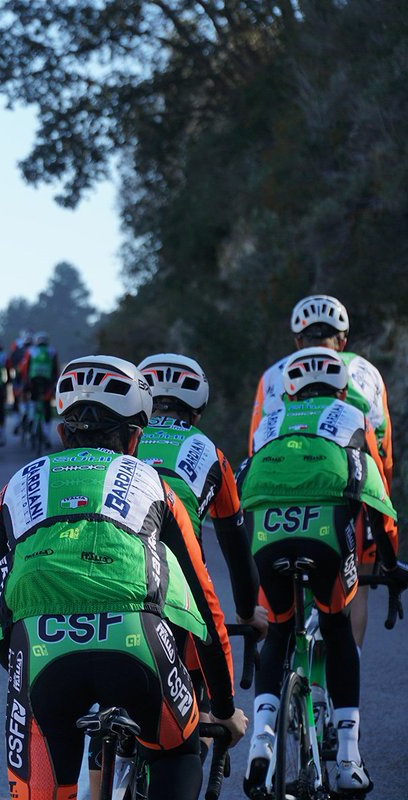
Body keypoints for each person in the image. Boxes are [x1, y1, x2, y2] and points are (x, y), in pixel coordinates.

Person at [0, 355, 246, 800]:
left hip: (39, 653)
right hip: (138, 645)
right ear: (136, 437)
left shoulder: (16, 486)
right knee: (179, 752)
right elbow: (204, 601)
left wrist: (36, 669)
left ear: (62, 432)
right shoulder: (150, 482)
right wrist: (223, 707)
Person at [239, 347, 407, 795]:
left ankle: (261, 742)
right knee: (336, 629)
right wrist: (390, 562)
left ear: (289, 389)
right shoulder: (353, 419)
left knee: (278, 631)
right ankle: (349, 757)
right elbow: (376, 496)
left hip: (265, 535)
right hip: (327, 537)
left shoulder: (269, 424)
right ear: (341, 388)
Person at [248, 294, 394, 647]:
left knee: (279, 601)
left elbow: (255, 442)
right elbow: (383, 447)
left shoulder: (274, 374)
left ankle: (280, 675)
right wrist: (381, 508)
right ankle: (347, 670)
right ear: (342, 339)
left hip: (276, 494)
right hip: (350, 492)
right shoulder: (364, 371)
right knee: (355, 583)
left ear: (298, 339)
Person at [136, 353, 267, 633]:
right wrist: (246, 614)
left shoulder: (123, 438)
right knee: (205, 666)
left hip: (108, 574)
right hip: (181, 584)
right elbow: (236, 548)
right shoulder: (210, 452)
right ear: (196, 414)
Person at [15, 332, 58, 445]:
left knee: (31, 400)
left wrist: (26, 382)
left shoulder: (31, 351)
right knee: (47, 405)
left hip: (33, 380)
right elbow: (55, 368)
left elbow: (26, 368)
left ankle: (30, 419)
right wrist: (54, 382)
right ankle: (46, 433)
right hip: (47, 381)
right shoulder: (52, 351)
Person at [8, 329, 33, 416]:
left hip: (20, 374)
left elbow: (11, 360)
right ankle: (27, 413)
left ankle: (21, 414)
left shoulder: (17, 345)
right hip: (29, 376)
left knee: (18, 395)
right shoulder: (35, 349)